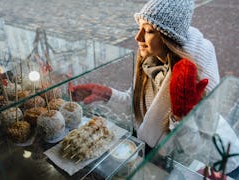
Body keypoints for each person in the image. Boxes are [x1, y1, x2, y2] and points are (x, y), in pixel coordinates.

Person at [71, 0, 220, 149]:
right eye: (139, 28)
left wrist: (179, 117)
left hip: (194, 164)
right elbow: (135, 103)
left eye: (148, 31)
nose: (138, 37)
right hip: (150, 150)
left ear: (168, 38)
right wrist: (105, 94)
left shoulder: (194, 73)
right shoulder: (149, 62)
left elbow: (195, 146)